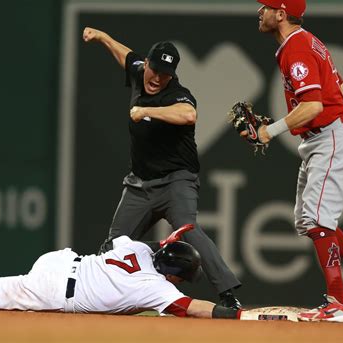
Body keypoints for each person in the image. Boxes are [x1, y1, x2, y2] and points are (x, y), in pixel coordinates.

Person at [249, 0, 343, 322]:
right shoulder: (305, 40)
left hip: (329, 137)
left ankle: (337, 303)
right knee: (308, 219)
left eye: (265, 6)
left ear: (281, 13)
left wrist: (269, 131)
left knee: (317, 219)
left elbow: (314, 105)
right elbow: (337, 86)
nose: (259, 11)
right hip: (323, 137)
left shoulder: (296, 47)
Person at [82, 27, 241, 309]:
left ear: (173, 74)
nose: (157, 78)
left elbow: (188, 115)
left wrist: (147, 111)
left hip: (176, 181)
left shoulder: (178, 94)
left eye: (165, 74)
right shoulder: (138, 70)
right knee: (114, 245)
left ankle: (228, 294)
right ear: (147, 65)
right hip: (139, 185)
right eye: (154, 70)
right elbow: (125, 55)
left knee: (188, 228)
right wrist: (103, 38)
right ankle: (95, 293)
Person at [0, 227, 242, 319]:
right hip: (54, 291)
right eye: (183, 276)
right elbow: (194, 308)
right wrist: (234, 314)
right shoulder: (156, 288)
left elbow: (121, 240)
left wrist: (163, 244)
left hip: (60, 261)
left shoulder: (139, 250)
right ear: (172, 274)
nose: (183, 282)